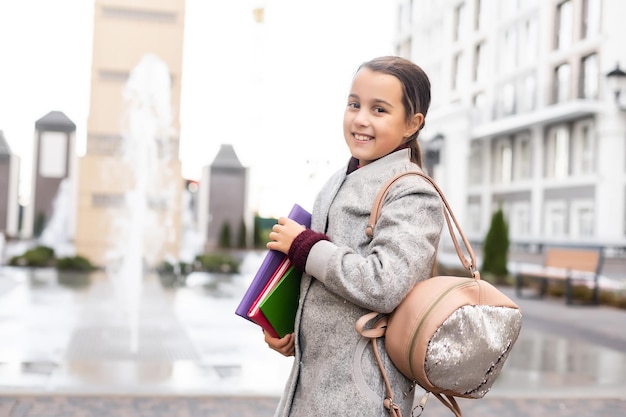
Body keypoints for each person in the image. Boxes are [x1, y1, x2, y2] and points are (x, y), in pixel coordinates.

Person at [264, 56, 445, 417]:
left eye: (379, 109)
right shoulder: (336, 181)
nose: (361, 119)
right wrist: (291, 331)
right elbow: (325, 289)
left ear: (412, 123)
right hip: (313, 385)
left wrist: (305, 246)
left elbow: (385, 283)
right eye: (354, 104)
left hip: (363, 394)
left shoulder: (412, 193)